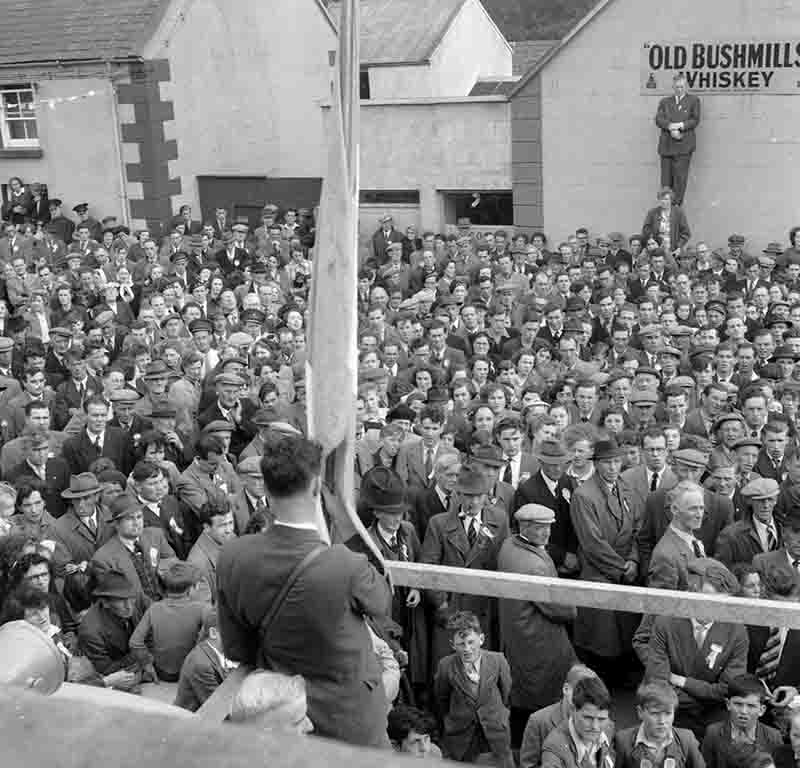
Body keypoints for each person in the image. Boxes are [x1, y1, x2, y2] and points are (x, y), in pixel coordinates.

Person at [217, 432, 392, 748]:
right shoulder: (345, 564)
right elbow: (383, 601)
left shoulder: (233, 556)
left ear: (266, 488)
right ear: (315, 486)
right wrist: (347, 525)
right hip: (350, 721)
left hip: (283, 719)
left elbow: (236, 649)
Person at [497, 503, 577, 745]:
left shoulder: (509, 545)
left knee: (521, 696)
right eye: (540, 528)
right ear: (524, 527)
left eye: (548, 527)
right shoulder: (535, 566)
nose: (546, 533)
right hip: (539, 641)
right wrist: (574, 606)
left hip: (517, 635)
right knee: (542, 700)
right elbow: (561, 609)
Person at [645, 558, 749, 738]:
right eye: (710, 600)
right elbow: (658, 681)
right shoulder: (665, 622)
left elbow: (728, 689)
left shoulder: (737, 631)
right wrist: (705, 696)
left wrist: (682, 681)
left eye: (723, 602)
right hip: (673, 711)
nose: (718, 609)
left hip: (714, 714)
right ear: (692, 594)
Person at [421, 463, 509, 667]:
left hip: (485, 609)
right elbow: (428, 566)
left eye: (479, 496)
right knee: (450, 667)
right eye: (469, 496)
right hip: (452, 611)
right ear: (458, 495)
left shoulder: (499, 519)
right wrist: (442, 604)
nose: (474, 502)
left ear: (486, 495)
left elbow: (504, 564)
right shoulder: (439, 524)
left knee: (482, 668)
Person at [570, 438, 640, 684]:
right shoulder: (583, 495)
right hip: (599, 571)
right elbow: (592, 543)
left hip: (627, 570)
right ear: (596, 464)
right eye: (606, 462)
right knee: (602, 636)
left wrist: (633, 560)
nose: (612, 467)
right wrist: (621, 567)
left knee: (626, 631)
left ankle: (621, 679)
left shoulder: (626, 488)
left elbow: (638, 529)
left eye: (617, 462)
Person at [434, 610, 514, 768]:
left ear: (481, 639)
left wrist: (500, 716)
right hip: (461, 735)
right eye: (461, 644)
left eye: (471, 642)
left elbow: (506, 692)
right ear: (452, 645)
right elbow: (442, 699)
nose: (467, 649)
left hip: (494, 733)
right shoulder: (446, 666)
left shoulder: (497, 660)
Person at [90, 494, 176, 603]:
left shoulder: (156, 535)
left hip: (166, 602)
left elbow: (174, 566)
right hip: (135, 610)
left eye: (139, 517)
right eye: (130, 518)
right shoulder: (103, 558)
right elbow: (114, 600)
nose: (136, 523)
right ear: (116, 524)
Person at [129, 560, 206, 682]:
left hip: (162, 673)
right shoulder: (201, 609)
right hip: (188, 673)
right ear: (191, 589)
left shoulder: (154, 608)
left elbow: (134, 642)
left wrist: (147, 664)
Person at [519, 664, 599, 768]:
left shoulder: (601, 722)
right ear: (566, 689)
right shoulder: (538, 721)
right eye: (580, 691)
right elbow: (528, 765)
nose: (585, 699)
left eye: (590, 694)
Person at [614, 680, 704, 768]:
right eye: (655, 713)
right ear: (640, 712)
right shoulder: (623, 741)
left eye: (668, 713)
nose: (662, 721)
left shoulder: (687, 739)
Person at [701, 674, 782, 768]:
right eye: (738, 704)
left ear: (761, 710)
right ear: (728, 704)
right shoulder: (713, 733)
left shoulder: (773, 737)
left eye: (751, 706)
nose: (743, 711)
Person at [540, 676, 615, 768]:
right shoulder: (554, 748)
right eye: (588, 718)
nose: (595, 726)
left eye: (601, 719)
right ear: (573, 710)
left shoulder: (608, 728)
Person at [174, 606, 236, 712]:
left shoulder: (220, 650)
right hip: (195, 718)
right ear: (213, 633)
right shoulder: (201, 664)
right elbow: (219, 709)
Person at [655, 73, 701, 206]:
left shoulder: (693, 101)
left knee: (680, 181)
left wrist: (680, 126)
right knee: (666, 182)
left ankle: (676, 209)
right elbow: (659, 119)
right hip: (667, 147)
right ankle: (666, 208)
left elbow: (695, 119)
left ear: (686, 86)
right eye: (676, 87)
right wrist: (670, 127)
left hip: (683, 148)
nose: (679, 89)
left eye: (681, 87)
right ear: (673, 87)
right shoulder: (665, 102)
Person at [186, 498, 236, 604]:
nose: (229, 530)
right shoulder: (196, 564)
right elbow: (203, 610)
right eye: (222, 525)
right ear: (206, 527)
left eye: (231, 523)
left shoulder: (230, 537)